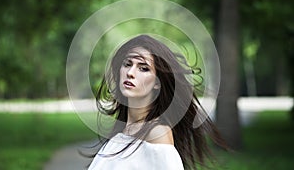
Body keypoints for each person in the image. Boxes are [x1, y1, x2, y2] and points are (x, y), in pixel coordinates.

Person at [88, 35, 227, 170]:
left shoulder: (157, 134)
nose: (130, 72)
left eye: (143, 68)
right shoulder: (123, 131)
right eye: (127, 64)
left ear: (157, 83)